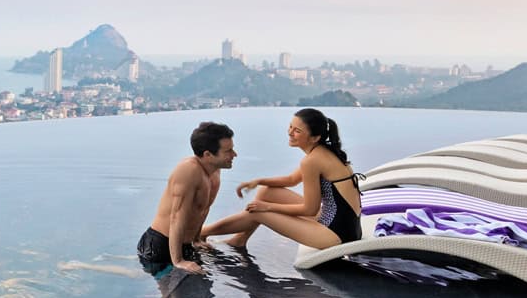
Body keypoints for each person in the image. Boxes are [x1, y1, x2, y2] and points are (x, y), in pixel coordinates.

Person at [200, 108, 364, 249]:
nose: (290, 133)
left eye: (297, 131)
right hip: (343, 225)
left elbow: (309, 210)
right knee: (267, 191)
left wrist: (267, 207)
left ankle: (201, 232)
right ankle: (239, 239)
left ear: (314, 138)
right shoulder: (321, 152)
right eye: (290, 127)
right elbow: (292, 180)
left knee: (256, 212)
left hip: (336, 234)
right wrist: (259, 181)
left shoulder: (312, 161)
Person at [137, 122, 236, 278]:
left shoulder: (215, 170)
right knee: (170, 297)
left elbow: (202, 208)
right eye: (228, 151)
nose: (234, 154)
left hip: (185, 244)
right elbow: (176, 216)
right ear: (208, 155)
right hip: (160, 245)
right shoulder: (188, 170)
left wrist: (196, 240)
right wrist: (178, 261)